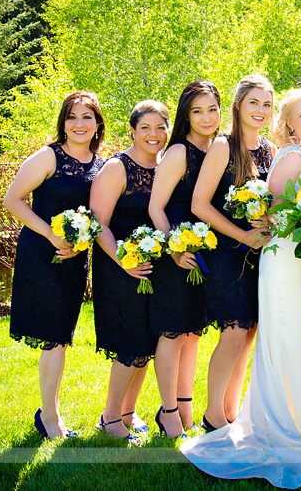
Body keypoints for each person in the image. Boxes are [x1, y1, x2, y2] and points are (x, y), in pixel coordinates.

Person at [181, 88, 301, 488]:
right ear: (288, 122)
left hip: (294, 261)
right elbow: (270, 211)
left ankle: (282, 415)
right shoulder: (291, 156)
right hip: (282, 259)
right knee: (284, 335)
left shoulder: (292, 153)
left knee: (287, 335)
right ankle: (278, 421)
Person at [4, 91, 105, 439]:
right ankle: (49, 418)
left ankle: (48, 414)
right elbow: (12, 200)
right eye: (72, 117)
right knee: (53, 338)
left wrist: (81, 245)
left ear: (97, 124)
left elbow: (98, 218)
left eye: (87, 117)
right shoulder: (48, 157)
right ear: (63, 122)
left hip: (73, 261)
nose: (79, 124)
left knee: (60, 335)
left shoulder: (101, 165)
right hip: (41, 254)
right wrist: (51, 235)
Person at [191, 75, 275, 432]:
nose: (260, 110)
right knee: (234, 330)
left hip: (260, 256)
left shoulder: (269, 149)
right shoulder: (223, 147)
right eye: (253, 102)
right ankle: (212, 416)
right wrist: (242, 232)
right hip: (227, 253)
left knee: (251, 330)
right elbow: (199, 204)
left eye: (267, 104)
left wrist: (268, 223)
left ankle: (230, 410)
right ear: (239, 105)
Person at [90, 100, 171, 442]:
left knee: (148, 343)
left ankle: (127, 410)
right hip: (119, 267)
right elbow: (96, 222)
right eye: (146, 128)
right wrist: (124, 260)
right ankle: (110, 419)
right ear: (133, 131)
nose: (154, 135)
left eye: (160, 127)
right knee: (131, 341)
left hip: (153, 267)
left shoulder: (166, 165)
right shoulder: (117, 167)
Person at [148, 82, 221, 438]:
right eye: (197, 111)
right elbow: (155, 206)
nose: (206, 118)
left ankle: (187, 405)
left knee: (193, 333)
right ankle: (168, 411)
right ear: (185, 116)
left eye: (212, 109)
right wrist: (174, 249)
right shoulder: (179, 151)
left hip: (205, 253)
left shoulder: (219, 149)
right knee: (173, 333)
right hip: (175, 253)